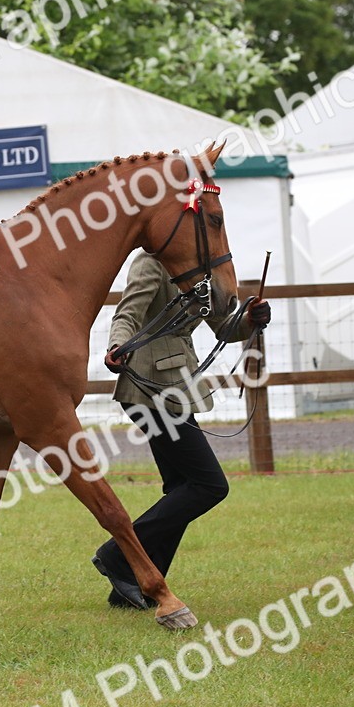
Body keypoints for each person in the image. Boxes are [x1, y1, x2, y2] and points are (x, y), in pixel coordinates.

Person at [93, 251, 270, 610]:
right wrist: (116, 345)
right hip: (148, 388)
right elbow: (127, 312)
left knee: (182, 487)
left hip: (176, 385)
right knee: (209, 486)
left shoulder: (201, 270)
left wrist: (251, 320)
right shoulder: (152, 262)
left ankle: (134, 586)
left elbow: (225, 327)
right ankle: (116, 554)